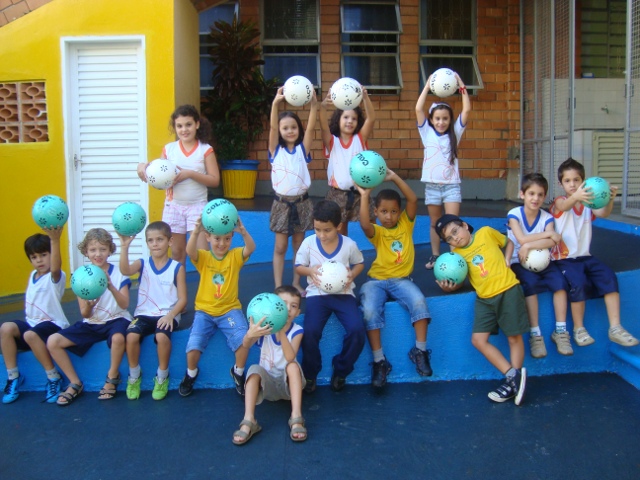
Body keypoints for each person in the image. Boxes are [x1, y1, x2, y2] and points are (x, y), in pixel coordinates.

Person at [435, 214, 528, 406]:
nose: (455, 238)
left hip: (507, 289)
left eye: (455, 231)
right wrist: (449, 288)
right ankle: (513, 376)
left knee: (513, 337)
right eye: (449, 238)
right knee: (478, 340)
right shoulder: (457, 257)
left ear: (464, 225)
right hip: (485, 299)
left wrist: (507, 259)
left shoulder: (485, 232)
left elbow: (509, 242)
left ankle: (513, 380)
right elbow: (460, 282)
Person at [355, 170, 433, 388]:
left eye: (393, 211)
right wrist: (364, 195)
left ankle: (420, 351)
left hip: (401, 280)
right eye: (383, 211)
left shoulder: (406, 224)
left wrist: (394, 177)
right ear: (376, 212)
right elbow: (364, 224)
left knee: (419, 302)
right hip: (376, 281)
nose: (388, 216)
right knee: (369, 311)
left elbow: (412, 199)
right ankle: (379, 361)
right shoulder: (378, 232)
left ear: (400, 212)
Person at [550, 158, 638, 347]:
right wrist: (577, 196)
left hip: (585, 256)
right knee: (578, 283)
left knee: (609, 276)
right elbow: (564, 207)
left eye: (577, 180)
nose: (572, 184)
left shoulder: (588, 205)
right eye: (567, 181)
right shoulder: (560, 201)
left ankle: (615, 328)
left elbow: (603, 213)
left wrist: (610, 198)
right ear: (560, 184)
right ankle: (579, 329)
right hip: (564, 259)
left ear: (584, 181)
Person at [47, 228, 132, 405]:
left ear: (110, 250)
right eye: (93, 250)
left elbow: (124, 304)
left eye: (103, 249)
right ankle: (75, 382)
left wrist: (111, 287)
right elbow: (84, 314)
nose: (98, 254)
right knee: (53, 341)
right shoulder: (81, 276)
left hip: (116, 318)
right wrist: (89, 306)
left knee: (118, 338)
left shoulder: (119, 273)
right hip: (92, 322)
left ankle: (112, 377)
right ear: (86, 251)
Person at [178, 215, 256, 397]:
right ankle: (191, 373)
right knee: (193, 345)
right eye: (217, 238)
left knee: (244, 340)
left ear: (232, 238)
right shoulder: (204, 257)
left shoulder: (235, 256)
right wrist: (195, 231)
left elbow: (251, 248)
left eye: (227, 239)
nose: (222, 243)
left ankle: (238, 372)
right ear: (208, 237)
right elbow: (190, 252)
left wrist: (243, 232)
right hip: (204, 312)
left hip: (229, 310)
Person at [295, 200, 366, 393]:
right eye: (317, 229)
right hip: (317, 295)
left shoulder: (349, 244)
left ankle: (341, 369)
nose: (321, 235)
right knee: (310, 332)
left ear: (338, 226)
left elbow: (359, 263)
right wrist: (310, 270)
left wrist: (352, 274)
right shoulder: (309, 243)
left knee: (357, 330)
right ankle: (310, 374)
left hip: (344, 294)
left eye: (327, 230)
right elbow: (298, 267)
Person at [136, 105, 220, 267]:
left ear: (197, 124)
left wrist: (190, 174)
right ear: (175, 127)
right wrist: (143, 166)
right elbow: (158, 170)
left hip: (197, 206)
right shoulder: (169, 149)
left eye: (188, 124)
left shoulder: (205, 149)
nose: (184, 130)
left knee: (202, 253)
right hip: (173, 206)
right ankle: (178, 284)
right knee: (177, 253)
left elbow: (215, 180)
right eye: (179, 126)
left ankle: (206, 284)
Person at [118, 221, 187, 401]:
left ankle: (162, 376)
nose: (155, 244)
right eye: (150, 240)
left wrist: (171, 315)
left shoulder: (177, 268)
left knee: (162, 337)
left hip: (167, 314)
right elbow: (125, 270)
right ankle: (134, 376)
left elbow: (183, 299)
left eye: (159, 239)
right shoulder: (143, 263)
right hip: (144, 314)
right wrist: (124, 247)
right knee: (131, 336)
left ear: (170, 241)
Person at [505, 173, 573, 358]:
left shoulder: (547, 217)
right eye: (531, 194)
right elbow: (521, 239)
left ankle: (560, 331)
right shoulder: (514, 214)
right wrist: (545, 236)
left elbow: (552, 242)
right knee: (530, 286)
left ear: (545, 197)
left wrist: (530, 245)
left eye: (540, 195)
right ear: (522, 194)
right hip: (519, 261)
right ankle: (535, 334)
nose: (535, 198)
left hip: (543, 260)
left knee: (560, 284)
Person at [1, 228, 69, 404]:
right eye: (34, 257)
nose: (39, 260)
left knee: (30, 335)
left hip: (52, 326)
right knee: (6, 328)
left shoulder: (55, 277)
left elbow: (56, 267)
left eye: (43, 255)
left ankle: (53, 377)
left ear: (51, 254)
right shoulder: (33, 275)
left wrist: (55, 240)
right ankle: (13, 377)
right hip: (32, 326)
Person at [232, 286, 306, 445]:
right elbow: (246, 345)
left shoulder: (297, 330)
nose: (288, 309)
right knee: (253, 370)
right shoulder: (265, 330)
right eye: (282, 304)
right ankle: (249, 420)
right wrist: (250, 334)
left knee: (292, 366)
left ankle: (296, 417)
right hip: (267, 388)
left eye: (293, 306)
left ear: (298, 312)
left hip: (288, 386)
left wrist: (281, 331)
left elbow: (290, 357)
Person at [416, 73, 471, 269]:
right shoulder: (426, 132)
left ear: (450, 120)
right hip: (432, 187)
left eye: (445, 119)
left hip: (451, 187)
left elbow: (467, 109)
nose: (441, 122)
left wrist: (461, 85)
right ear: (431, 120)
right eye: (437, 118)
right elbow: (418, 108)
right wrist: (427, 86)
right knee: (435, 223)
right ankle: (435, 256)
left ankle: (454, 257)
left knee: (452, 224)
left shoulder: (455, 132)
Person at [268, 87, 317, 295]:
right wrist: (275, 104)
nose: (290, 131)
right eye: (285, 128)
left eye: (294, 127)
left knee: (299, 245)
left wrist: (314, 104)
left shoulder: (302, 150)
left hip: (302, 203)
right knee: (280, 247)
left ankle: (296, 282)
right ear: (280, 131)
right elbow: (272, 128)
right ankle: (279, 285)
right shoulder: (275, 150)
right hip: (281, 204)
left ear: (299, 129)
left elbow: (311, 127)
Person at [319, 85, 376, 236]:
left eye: (354, 118)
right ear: (338, 119)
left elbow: (371, 118)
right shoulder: (332, 141)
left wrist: (365, 98)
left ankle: (382, 250)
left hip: (360, 192)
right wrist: (323, 107)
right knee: (341, 230)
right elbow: (323, 126)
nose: (350, 121)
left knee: (371, 227)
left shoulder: (360, 138)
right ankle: (343, 252)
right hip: (338, 194)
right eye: (346, 117)